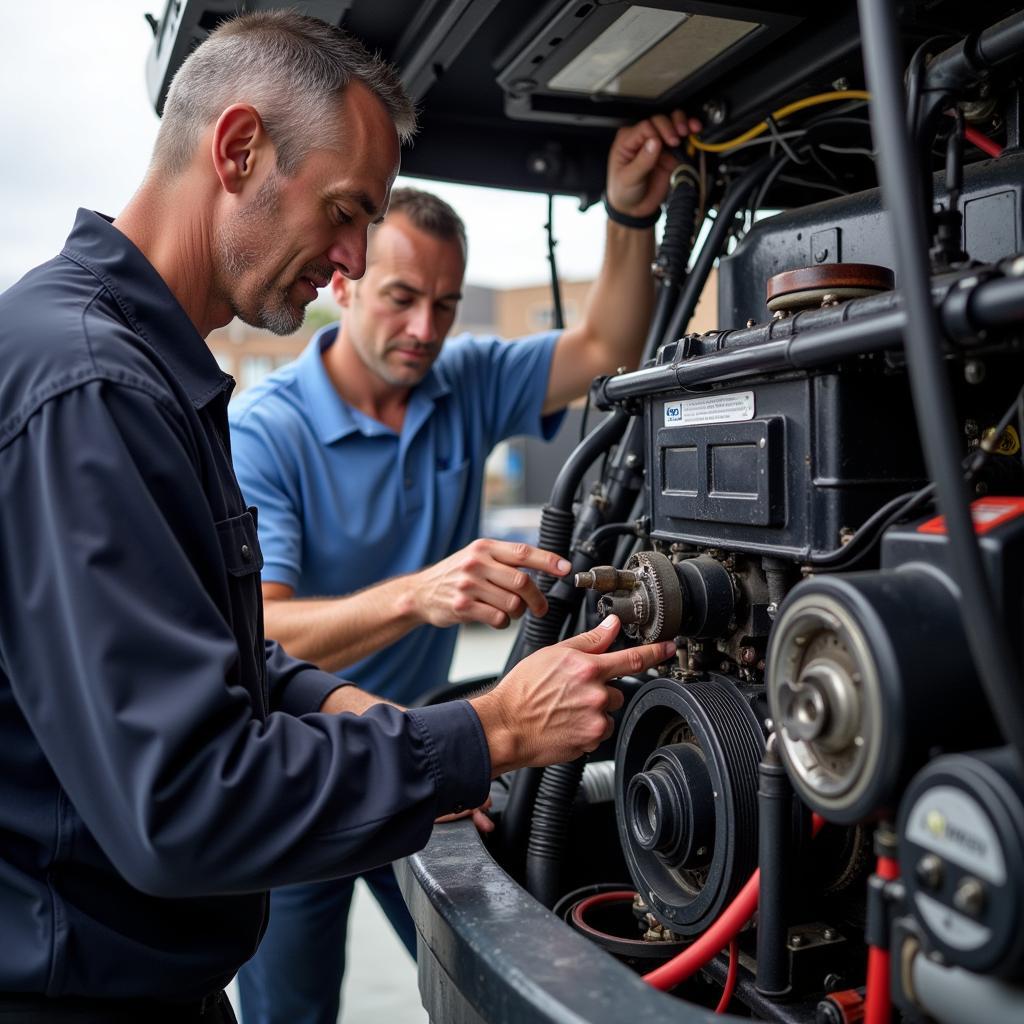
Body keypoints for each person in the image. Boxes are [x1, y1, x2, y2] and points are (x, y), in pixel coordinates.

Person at [0, 12, 676, 1023]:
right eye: (346, 210)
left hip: (167, 943)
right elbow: (183, 799)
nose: (352, 261)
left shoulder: (138, 370)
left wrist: (356, 711)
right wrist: (487, 728)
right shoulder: (93, 387)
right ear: (237, 150)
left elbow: (215, 652)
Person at [229, 108, 696, 1021]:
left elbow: (607, 350)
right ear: (348, 279)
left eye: (445, 304)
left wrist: (629, 215)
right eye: (403, 296)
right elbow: (260, 626)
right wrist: (421, 594)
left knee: (495, 990)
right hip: (310, 771)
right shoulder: (269, 431)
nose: (425, 327)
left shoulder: (460, 378)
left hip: (424, 765)